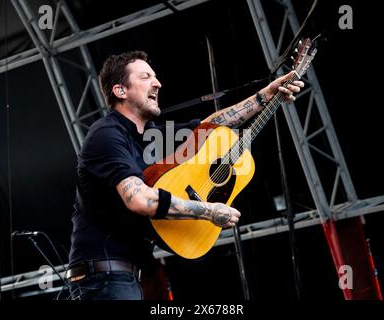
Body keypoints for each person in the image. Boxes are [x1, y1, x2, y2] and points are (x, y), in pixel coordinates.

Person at [64, 50, 303, 300]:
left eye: (155, 77)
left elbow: (211, 128)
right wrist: (210, 211)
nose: (157, 83)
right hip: (102, 279)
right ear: (120, 91)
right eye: (145, 77)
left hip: (124, 277)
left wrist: (266, 95)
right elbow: (139, 200)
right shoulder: (106, 134)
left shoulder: (151, 137)